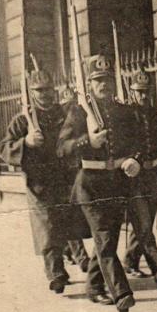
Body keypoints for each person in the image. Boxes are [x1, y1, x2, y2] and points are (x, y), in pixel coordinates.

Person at [57, 54, 145, 312]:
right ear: (89, 84)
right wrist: (88, 141)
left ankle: (94, 286)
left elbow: (138, 142)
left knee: (108, 239)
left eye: (107, 79)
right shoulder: (78, 111)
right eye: (97, 80)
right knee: (105, 237)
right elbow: (62, 147)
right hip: (90, 184)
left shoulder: (123, 111)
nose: (103, 84)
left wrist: (134, 160)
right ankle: (122, 293)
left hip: (116, 183)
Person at [0, 69, 88, 294]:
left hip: (66, 177)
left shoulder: (65, 114)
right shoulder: (24, 119)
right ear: (31, 92)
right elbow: (4, 149)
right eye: (39, 90)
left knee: (68, 220)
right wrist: (26, 142)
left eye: (48, 89)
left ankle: (79, 256)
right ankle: (56, 273)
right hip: (39, 182)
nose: (45, 94)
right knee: (47, 226)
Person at [122, 67, 157, 286]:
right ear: (131, 92)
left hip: (155, 174)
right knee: (142, 221)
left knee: (146, 222)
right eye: (139, 91)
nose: (143, 96)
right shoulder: (125, 116)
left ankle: (130, 261)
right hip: (134, 177)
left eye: (146, 91)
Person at [58, 87, 92, 275]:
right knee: (68, 214)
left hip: (78, 169)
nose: (69, 107)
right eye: (66, 104)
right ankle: (80, 257)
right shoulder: (58, 119)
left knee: (73, 215)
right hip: (63, 173)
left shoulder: (80, 115)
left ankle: (70, 252)